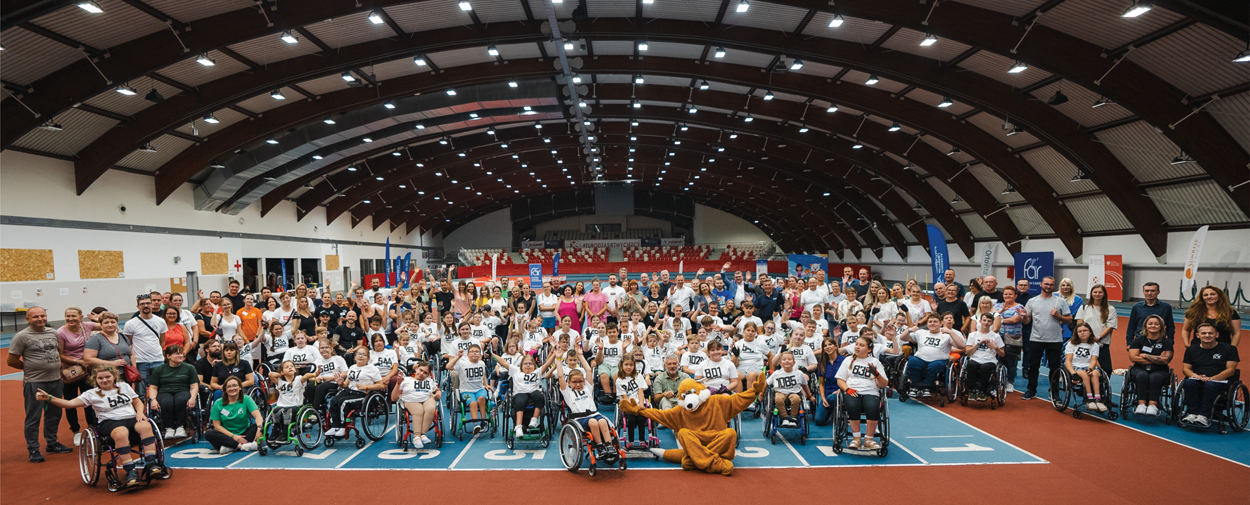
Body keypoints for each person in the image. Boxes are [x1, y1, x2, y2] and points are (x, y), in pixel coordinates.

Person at [35, 366, 164, 485]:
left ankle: (151, 465)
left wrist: (140, 412)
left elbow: (137, 402)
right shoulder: (91, 394)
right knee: (121, 433)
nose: (104, 380)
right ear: (95, 380)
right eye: (100, 378)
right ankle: (130, 471)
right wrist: (50, 398)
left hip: (131, 418)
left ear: (114, 376)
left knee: (146, 426)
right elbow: (69, 404)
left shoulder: (124, 386)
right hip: (109, 422)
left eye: (107, 377)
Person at [8, 307, 73, 462]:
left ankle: (52, 443)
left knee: (55, 414)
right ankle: (33, 449)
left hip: (56, 380)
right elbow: (11, 361)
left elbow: (57, 352)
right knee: (33, 417)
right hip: (35, 382)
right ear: (27, 319)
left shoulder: (53, 332)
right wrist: (30, 367)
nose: (40, 319)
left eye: (42, 316)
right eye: (35, 316)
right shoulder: (21, 336)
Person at [558, 348, 616, 461]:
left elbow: (589, 371)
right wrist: (558, 359)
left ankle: (609, 445)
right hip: (580, 418)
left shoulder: (588, 388)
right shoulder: (568, 392)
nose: (578, 384)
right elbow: (560, 376)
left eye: (580, 381)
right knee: (593, 422)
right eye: (574, 382)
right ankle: (599, 447)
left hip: (595, 414)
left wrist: (580, 355)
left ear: (584, 381)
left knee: (603, 421)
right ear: (569, 383)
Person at [1179, 324, 1240, 427]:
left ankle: (1204, 416)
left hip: (1220, 380)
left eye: (1210, 333)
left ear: (1217, 334)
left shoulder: (1229, 349)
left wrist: (1212, 378)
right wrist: (1195, 376)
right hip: (1198, 378)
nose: (1207, 335)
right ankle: (1192, 413)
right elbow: (1186, 369)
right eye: (1204, 333)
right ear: (1198, 335)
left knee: (1210, 385)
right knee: (1188, 382)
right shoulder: (1191, 350)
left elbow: (1230, 370)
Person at [1021, 277, 1071, 401]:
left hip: (1055, 340)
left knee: (1054, 367)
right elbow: (1027, 320)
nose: (1048, 286)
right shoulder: (1032, 301)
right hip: (1036, 339)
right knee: (1034, 366)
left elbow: (1069, 319)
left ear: (1054, 286)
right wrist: (1023, 317)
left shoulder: (1060, 302)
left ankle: (1054, 393)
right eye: (1046, 284)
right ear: (1041, 284)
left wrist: (1058, 316)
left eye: (1051, 285)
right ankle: (1031, 390)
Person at [836, 335, 889, 450]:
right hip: (852, 391)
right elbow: (840, 379)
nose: (857, 347)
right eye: (856, 344)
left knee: (873, 406)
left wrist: (877, 374)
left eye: (861, 345)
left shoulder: (875, 362)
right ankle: (856, 439)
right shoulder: (848, 360)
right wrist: (847, 389)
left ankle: (869, 440)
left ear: (869, 349)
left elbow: (884, 384)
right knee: (852, 405)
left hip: (871, 392)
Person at [57, 307, 96, 446]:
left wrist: (99, 318)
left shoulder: (87, 326)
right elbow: (60, 355)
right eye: (68, 316)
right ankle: (76, 431)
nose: (70, 319)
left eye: (74, 316)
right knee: (70, 401)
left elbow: (107, 324)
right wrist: (78, 361)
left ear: (81, 317)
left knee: (90, 399)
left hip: (87, 371)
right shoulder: (61, 332)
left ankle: (92, 427)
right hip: (70, 372)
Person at [903, 314, 966, 397]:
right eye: (930, 322)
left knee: (935, 365)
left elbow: (962, 346)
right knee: (912, 361)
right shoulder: (921, 332)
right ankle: (915, 387)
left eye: (935, 322)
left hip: (938, 360)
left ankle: (927, 387)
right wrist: (909, 330)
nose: (932, 323)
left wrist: (950, 331)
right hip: (920, 358)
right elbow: (903, 338)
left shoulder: (946, 335)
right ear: (927, 324)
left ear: (941, 323)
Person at [147, 345, 200, 439]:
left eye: (181, 353)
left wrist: (193, 398)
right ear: (168, 356)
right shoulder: (159, 370)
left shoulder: (189, 368)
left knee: (180, 400)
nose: (181, 355)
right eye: (177, 353)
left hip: (183, 390)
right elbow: (153, 387)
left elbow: (194, 385)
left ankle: (180, 427)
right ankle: (169, 428)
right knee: (166, 402)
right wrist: (153, 399)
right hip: (164, 391)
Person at [328, 348, 384, 437]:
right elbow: (346, 384)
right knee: (334, 401)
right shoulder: (352, 367)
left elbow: (381, 385)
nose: (360, 356)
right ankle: (335, 426)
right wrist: (341, 383)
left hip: (363, 394)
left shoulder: (372, 369)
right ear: (355, 357)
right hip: (350, 391)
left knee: (343, 402)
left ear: (368, 358)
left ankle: (343, 427)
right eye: (358, 354)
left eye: (363, 354)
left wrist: (365, 387)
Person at [1127, 315, 1174, 416]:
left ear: (1161, 326)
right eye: (1150, 323)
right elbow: (1133, 358)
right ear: (1146, 326)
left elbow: (1166, 360)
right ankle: (1141, 404)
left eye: (1156, 324)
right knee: (1142, 376)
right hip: (1139, 369)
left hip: (1160, 370)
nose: (1153, 326)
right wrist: (1157, 358)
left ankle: (1153, 405)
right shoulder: (1138, 340)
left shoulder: (1166, 342)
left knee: (1155, 377)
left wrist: (1145, 355)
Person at [391, 360, 442, 449]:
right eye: (420, 370)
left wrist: (439, 393)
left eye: (425, 372)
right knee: (418, 411)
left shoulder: (429, 381)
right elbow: (394, 398)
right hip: (411, 400)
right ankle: (417, 437)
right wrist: (398, 383)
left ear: (428, 375)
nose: (422, 373)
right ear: (416, 369)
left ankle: (423, 434)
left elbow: (437, 390)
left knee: (431, 409)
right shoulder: (406, 380)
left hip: (427, 398)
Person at [206, 375, 262, 453]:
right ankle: (240, 446)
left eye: (234, 385)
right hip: (227, 435)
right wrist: (234, 436)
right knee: (209, 434)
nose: (232, 388)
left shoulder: (246, 399)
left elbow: (257, 415)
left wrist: (260, 428)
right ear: (225, 389)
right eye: (229, 386)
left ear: (240, 387)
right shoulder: (218, 403)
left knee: (261, 426)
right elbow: (217, 426)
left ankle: (231, 447)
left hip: (244, 434)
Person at [446, 344, 492, 434]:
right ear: (468, 354)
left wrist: (486, 384)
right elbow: (448, 366)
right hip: (466, 390)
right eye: (472, 352)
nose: (475, 353)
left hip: (479, 389)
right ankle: (475, 424)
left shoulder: (482, 363)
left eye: (477, 352)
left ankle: (484, 421)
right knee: (473, 402)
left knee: (482, 399)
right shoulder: (462, 364)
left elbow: (483, 374)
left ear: (480, 354)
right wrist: (458, 356)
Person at [1076, 284, 1118, 377]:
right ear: (1091, 294)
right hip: (1085, 343)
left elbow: (1110, 326)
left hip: (1102, 343)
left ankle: (1102, 388)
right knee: (1085, 367)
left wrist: (1098, 337)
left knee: (1107, 368)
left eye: (1100, 292)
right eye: (1095, 292)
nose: (1097, 294)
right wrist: (1086, 337)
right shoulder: (1084, 308)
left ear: (1104, 294)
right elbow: (1080, 323)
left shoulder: (1110, 309)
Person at [125, 294, 168, 382]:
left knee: (159, 387)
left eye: (148, 303)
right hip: (140, 362)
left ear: (152, 304)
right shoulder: (130, 323)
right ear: (138, 306)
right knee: (141, 391)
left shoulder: (161, 321)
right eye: (142, 304)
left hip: (158, 360)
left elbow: (162, 342)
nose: (145, 305)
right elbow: (128, 343)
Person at [1064, 323, 1106, 412]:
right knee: (1085, 374)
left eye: (1085, 331)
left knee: (1094, 374)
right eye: (1079, 331)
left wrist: (1090, 369)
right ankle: (1089, 399)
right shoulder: (1071, 344)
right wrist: (1073, 373)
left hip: (1089, 366)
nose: (1082, 333)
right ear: (1076, 333)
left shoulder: (1095, 345)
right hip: (1075, 367)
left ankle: (1098, 399)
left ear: (1090, 332)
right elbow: (1068, 361)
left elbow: (1094, 360)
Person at [964, 313, 1005, 402]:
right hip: (975, 359)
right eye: (984, 320)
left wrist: (995, 348)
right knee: (971, 365)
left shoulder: (996, 336)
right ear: (980, 321)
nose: (986, 323)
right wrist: (978, 344)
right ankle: (973, 391)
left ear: (992, 323)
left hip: (989, 360)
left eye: (989, 321)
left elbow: (1002, 354)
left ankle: (983, 392)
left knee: (985, 368)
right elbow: (967, 352)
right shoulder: (972, 335)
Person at [770, 351, 813, 428]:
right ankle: (784, 418)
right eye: (784, 359)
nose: (787, 361)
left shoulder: (799, 373)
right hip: (780, 392)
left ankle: (793, 418)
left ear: (794, 363)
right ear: (780, 363)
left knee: (796, 399)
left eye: (789, 359)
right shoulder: (776, 373)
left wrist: (809, 396)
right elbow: (766, 383)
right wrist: (761, 394)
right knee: (778, 399)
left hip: (794, 392)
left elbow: (804, 385)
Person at [995, 287, 1024, 392]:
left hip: (1013, 338)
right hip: (998, 337)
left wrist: (999, 320)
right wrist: (999, 314)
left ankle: (1010, 382)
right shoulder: (997, 306)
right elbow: (992, 316)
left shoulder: (1019, 307)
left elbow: (1015, 319)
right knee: (997, 359)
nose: (1007, 296)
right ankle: (997, 380)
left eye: (1010, 294)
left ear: (1015, 296)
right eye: (1005, 294)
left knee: (1011, 361)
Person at [1058, 278, 1082, 343]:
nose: (1065, 287)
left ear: (1071, 286)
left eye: (1068, 285)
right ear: (1060, 286)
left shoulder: (1077, 299)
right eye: (1063, 285)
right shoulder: (1054, 296)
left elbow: (1075, 315)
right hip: (1054, 327)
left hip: (1069, 329)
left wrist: (1062, 320)